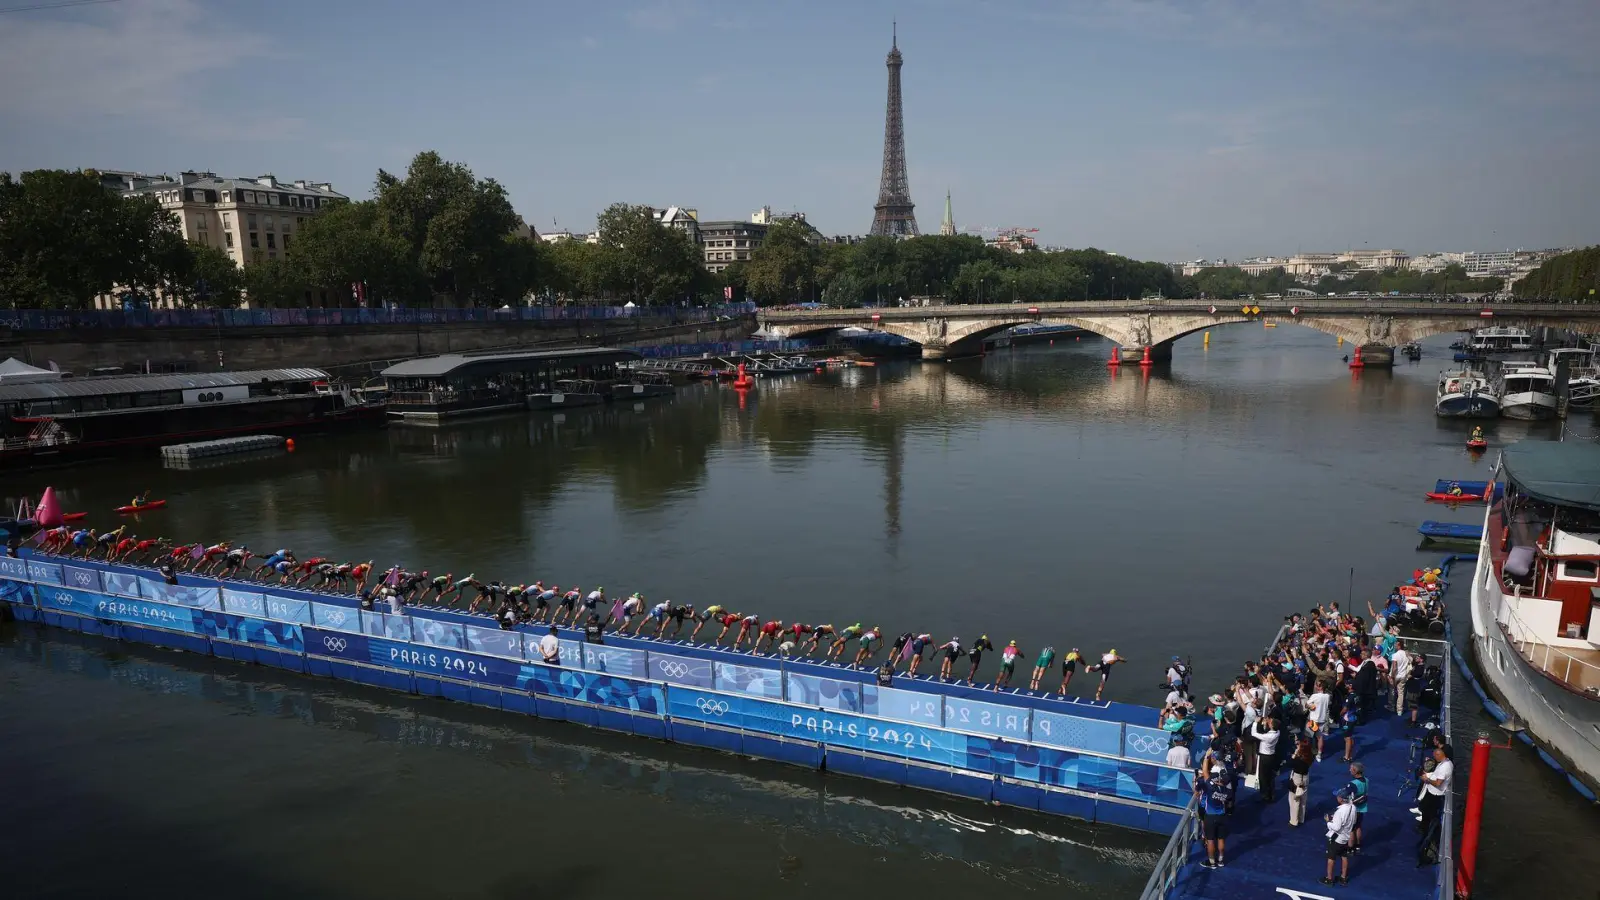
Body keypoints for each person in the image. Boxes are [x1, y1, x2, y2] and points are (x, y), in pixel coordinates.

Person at [1417, 745, 1453, 855]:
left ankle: (1424, 832)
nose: (1435, 757)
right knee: (1425, 811)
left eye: (1436, 755)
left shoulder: (1444, 767)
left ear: (1442, 755)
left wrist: (1427, 779)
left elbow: (1438, 783)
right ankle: (1424, 829)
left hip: (1434, 795)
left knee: (1428, 814)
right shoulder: (1446, 763)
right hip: (1432, 794)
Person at [1196, 764, 1230, 869]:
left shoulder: (1210, 787)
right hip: (1222, 816)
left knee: (1210, 840)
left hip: (1210, 816)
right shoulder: (1228, 792)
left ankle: (1211, 862)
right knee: (1221, 839)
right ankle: (1220, 860)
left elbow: (1205, 776)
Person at [1323, 789, 1357, 886]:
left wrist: (1328, 822)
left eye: (1338, 796)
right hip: (1346, 837)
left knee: (1331, 857)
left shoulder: (1340, 811)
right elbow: (1353, 822)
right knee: (1344, 856)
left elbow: (1337, 827)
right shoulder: (1353, 807)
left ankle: (1329, 879)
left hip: (1337, 838)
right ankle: (1343, 877)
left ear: (1341, 799)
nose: (1336, 797)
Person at [1254, 714, 1282, 802]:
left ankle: (1265, 795)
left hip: (1265, 757)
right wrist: (1266, 724)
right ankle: (1270, 794)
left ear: (1272, 726)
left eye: (1271, 722)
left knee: (1263, 776)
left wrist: (1255, 723)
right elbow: (1268, 730)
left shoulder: (1268, 737)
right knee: (1270, 776)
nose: (1269, 722)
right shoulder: (1277, 732)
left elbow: (1254, 733)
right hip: (1271, 756)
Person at [1288, 737, 1314, 827]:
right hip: (1306, 777)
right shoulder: (1310, 757)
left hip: (1297, 778)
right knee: (1303, 799)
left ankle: (1294, 821)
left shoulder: (1298, 760)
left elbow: (1290, 763)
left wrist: (1295, 753)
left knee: (1294, 800)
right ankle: (1301, 818)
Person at [1345, 762, 1369, 853]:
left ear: (1355, 771)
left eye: (1351, 768)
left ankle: (1350, 848)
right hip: (1362, 808)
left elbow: (1346, 794)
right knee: (1358, 826)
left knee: (1351, 828)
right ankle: (1358, 845)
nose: (1349, 770)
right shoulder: (1366, 780)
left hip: (1353, 808)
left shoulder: (1353, 783)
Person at [1306, 679, 1332, 761]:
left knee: (1308, 736)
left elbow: (1306, 705)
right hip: (1322, 720)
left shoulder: (1314, 696)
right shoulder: (1327, 696)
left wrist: (1311, 706)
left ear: (1320, 687)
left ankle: (1308, 753)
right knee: (1320, 737)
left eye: (1317, 685)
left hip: (1313, 720)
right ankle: (1319, 754)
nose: (1315, 686)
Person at [1392, 646, 1414, 715]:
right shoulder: (1407, 656)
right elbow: (1411, 661)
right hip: (1403, 676)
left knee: (1392, 690)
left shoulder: (1395, 655)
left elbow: (1394, 668)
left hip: (1396, 676)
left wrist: (1392, 676)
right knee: (1401, 693)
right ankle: (1399, 710)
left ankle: (1391, 706)